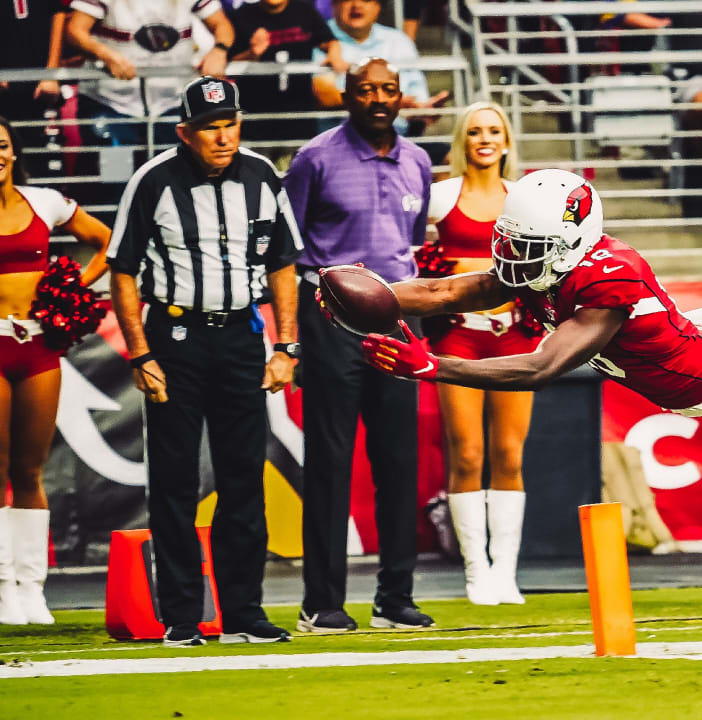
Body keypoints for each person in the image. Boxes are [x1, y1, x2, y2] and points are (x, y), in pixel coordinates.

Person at [347, 170, 702, 480]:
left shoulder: (609, 276)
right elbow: (448, 289)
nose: (515, 256)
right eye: (513, 242)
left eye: (530, 245)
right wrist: (371, 297)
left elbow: (542, 365)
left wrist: (435, 366)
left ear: (571, 239)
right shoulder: (546, 265)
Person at [106, 76, 301, 648]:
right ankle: (183, 616)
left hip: (240, 337)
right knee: (174, 481)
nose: (223, 137)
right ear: (184, 132)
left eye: (231, 124)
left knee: (245, 477)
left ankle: (245, 611)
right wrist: (140, 351)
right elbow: (122, 269)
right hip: (175, 339)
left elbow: (283, 262)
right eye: (211, 128)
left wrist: (286, 345)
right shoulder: (153, 180)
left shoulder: (263, 176)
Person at [284, 58, 436, 633]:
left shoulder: (418, 161)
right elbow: (289, 251)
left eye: (388, 90)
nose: (378, 98)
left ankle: (395, 597)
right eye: (367, 90)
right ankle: (320, 603)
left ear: (401, 97)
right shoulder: (314, 159)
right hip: (330, 319)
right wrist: (292, 337)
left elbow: (411, 242)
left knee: (398, 462)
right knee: (330, 462)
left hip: (398, 320)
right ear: (346, 96)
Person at [428, 101, 541, 606]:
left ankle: (504, 573)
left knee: (509, 455)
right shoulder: (439, 197)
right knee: (467, 452)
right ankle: (475, 572)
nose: (485, 139)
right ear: (463, 141)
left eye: (494, 130)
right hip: (459, 336)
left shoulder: (525, 198)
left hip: (514, 335)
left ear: (508, 140)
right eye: (475, 131)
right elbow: (418, 260)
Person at [0, 116, 111, 625]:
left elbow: (106, 240)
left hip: (39, 346)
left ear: (14, 151)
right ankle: (3, 585)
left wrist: (73, 291)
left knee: (30, 470)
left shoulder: (42, 200)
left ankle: (32, 588)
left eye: (1, 145)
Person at [66, 0, 235, 147]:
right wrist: (106, 55)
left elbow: (221, 25)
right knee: (116, 173)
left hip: (173, 101)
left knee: (172, 174)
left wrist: (219, 51)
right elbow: (75, 30)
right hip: (110, 100)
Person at [228, 0, 348, 165]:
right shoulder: (242, 14)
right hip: (256, 121)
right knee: (256, 176)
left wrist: (335, 54)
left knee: (300, 176)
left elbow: (329, 41)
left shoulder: (304, 9)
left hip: (299, 117)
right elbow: (228, 63)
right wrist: (252, 53)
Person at [312, 0, 447, 139]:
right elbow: (324, 96)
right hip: (340, 143)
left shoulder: (399, 40)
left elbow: (417, 96)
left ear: (378, 6)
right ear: (333, 4)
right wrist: (391, 103)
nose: (357, 5)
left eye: (366, 0)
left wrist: (422, 110)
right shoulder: (318, 39)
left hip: (399, 140)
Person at [0, 0, 70, 157]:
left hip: (40, 86)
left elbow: (58, 13)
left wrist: (51, 74)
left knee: (40, 158)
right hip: (4, 84)